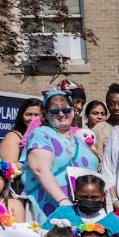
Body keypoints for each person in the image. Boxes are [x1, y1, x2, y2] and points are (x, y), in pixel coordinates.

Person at [23, 91, 100, 222]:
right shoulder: (41, 134)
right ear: (46, 114)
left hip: (86, 209)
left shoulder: (79, 138)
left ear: (73, 111)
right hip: (52, 208)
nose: (61, 114)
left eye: (66, 110)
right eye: (54, 111)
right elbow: (40, 169)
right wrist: (62, 200)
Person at [0, 98, 43, 174]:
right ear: (21, 116)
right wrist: (36, 166)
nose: (33, 119)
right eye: (28, 114)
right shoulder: (13, 137)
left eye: (37, 115)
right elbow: (8, 167)